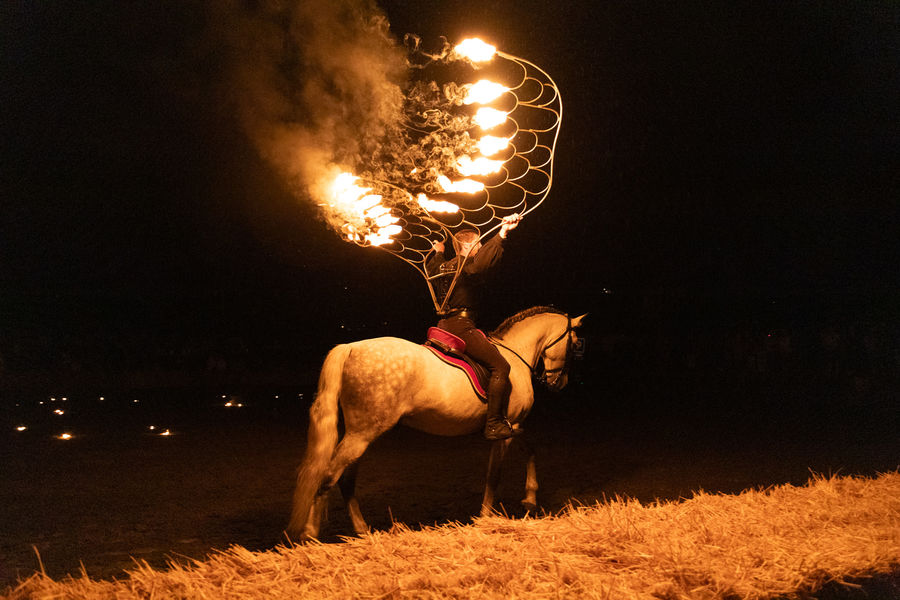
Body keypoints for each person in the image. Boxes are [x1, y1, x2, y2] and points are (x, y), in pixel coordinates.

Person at [427, 214, 522, 440]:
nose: (480, 248)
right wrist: (502, 234)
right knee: (501, 367)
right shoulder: (466, 265)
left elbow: (432, 269)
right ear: (468, 246)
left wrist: (439, 251)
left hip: (442, 325)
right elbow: (481, 265)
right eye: (478, 244)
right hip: (461, 327)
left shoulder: (443, 266)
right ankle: (493, 424)